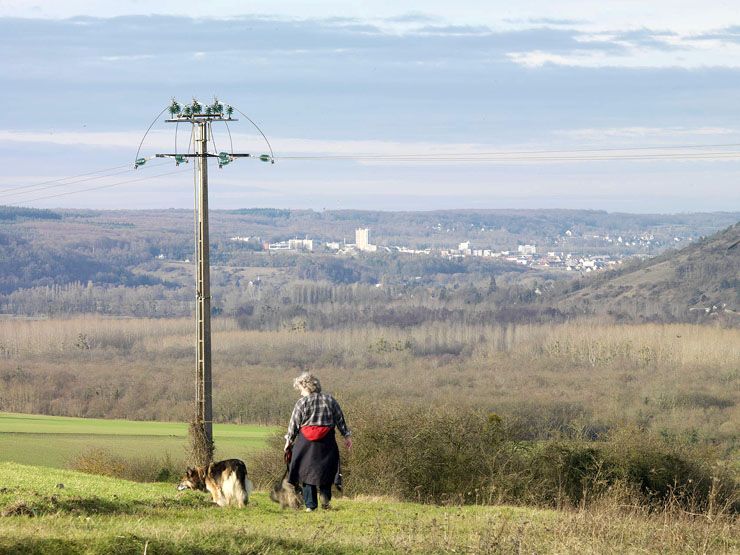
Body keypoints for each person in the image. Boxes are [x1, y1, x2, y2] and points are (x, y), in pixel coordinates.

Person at [284, 372, 352, 512]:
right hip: (327, 442)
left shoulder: (302, 403)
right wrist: (346, 436)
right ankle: (325, 503)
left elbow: (294, 424)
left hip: (305, 443)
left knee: (306, 472)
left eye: (301, 389)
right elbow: (340, 420)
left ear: (306, 386)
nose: (300, 393)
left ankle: (310, 506)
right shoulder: (330, 400)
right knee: (326, 471)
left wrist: (289, 441)